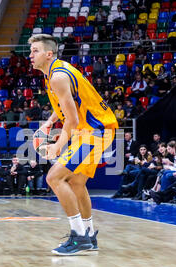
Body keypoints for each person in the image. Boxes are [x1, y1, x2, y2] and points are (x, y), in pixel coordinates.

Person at [29, 34, 118, 255]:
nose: (30, 55)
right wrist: (49, 123)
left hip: (93, 131)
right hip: (94, 130)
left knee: (54, 177)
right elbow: (66, 106)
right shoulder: (56, 72)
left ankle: (78, 237)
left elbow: (72, 120)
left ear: (49, 54)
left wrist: (57, 146)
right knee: (76, 184)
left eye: (35, 51)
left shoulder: (58, 76)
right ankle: (88, 235)